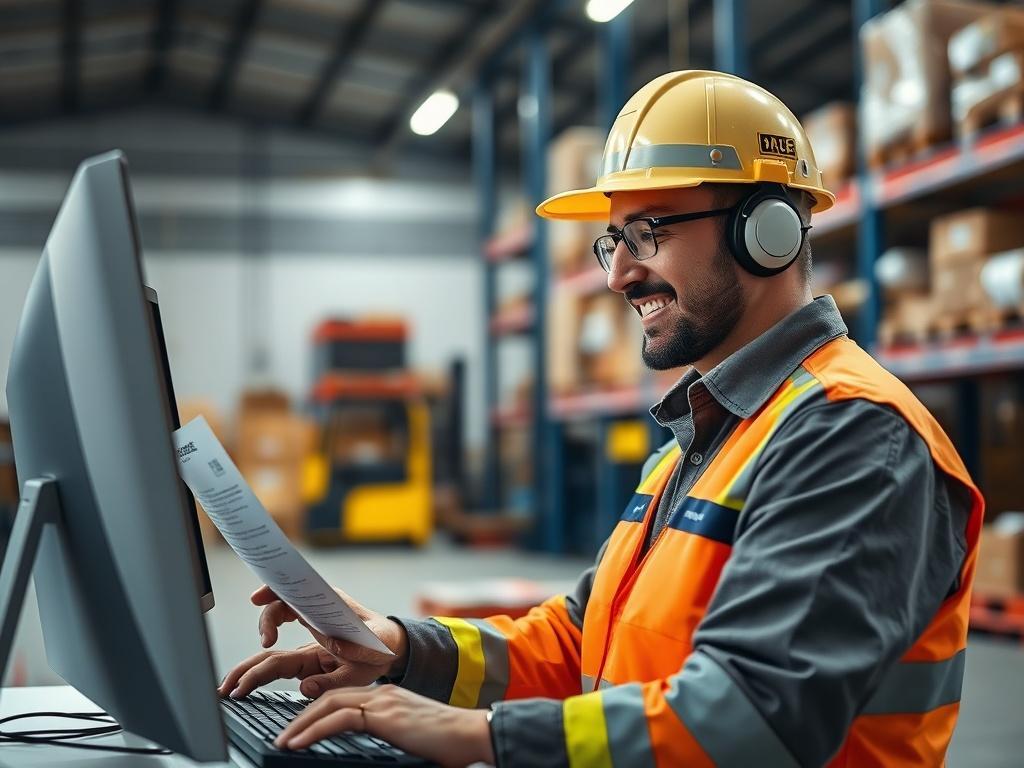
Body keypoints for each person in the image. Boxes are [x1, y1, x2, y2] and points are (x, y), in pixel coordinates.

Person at [219, 70, 983, 767]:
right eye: (614, 239)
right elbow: (585, 636)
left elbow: (756, 716)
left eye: (650, 231)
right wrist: (400, 649)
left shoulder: (854, 432)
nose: (618, 274)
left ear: (768, 229)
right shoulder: (707, 433)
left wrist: (475, 735)